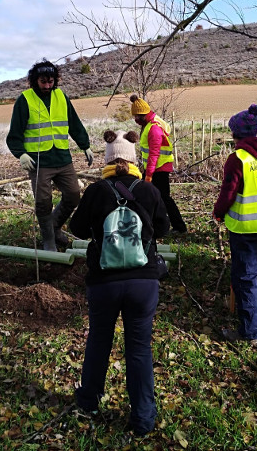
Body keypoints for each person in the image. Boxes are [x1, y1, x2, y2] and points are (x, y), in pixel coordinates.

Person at [69, 129, 170, 437]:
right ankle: (142, 418)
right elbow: (164, 229)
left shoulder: (96, 191)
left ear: (109, 160)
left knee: (99, 340)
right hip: (143, 282)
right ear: (134, 159)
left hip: (103, 282)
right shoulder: (149, 190)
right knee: (139, 349)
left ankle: (88, 402)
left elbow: (77, 229)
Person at [6, 59, 93, 251]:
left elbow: (74, 123)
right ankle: (48, 240)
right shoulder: (25, 100)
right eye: (43, 82)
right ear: (34, 80)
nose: (47, 86)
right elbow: (14, 134)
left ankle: (54, 227)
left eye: (51, 82)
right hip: (39, 162)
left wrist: (85, 145)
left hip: (62, 157)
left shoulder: (61, 96)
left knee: (73, 195)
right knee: (43, 202)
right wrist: (21, 154)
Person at [213, 104, 257, 344]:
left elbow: (228, 192)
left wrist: (218, 213)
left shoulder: (237, 158)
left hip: (244, 228)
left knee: (246, 277)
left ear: (236, 134)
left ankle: (250, 332)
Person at [130, 94, 187, 234]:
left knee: (163, 198)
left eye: (136, 117)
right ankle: (155, 224)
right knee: (156, 197)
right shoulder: (150, 124)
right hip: (156, 168)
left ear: (142, 115)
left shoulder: (154, 129)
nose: (135, 120)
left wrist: (148, 175)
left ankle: (178, 227)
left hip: (158, 169)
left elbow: (154, 154)